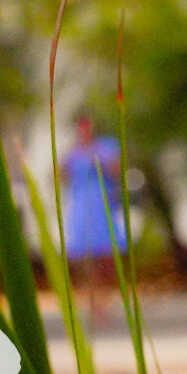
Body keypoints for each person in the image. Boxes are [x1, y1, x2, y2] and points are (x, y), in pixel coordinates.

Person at [63, 113, 126, 318]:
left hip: (102, 204)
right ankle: (92, 302)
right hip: (82, 205)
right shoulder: (72, 153)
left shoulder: (106, 148)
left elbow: (117, 174)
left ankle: (103, 300)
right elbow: (64, 178)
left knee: (106, 257)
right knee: (84, 257)